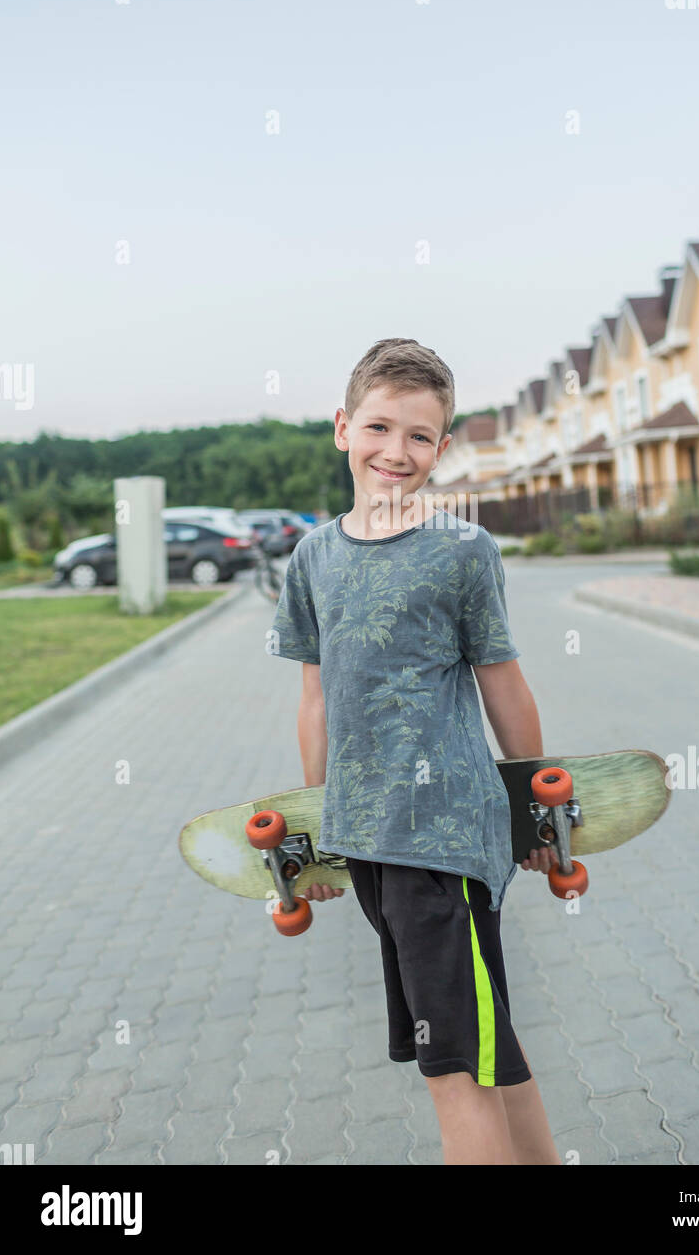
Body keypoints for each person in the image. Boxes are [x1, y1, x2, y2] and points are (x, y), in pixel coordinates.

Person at [270, 337, 561, 1165]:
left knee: (452, 1073)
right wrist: (318, 825)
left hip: (442, 840)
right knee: (487, 1048)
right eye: (379, 427)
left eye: (421, 436)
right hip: (369, 839)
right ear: (342, 429)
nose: (397, 452)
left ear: (443, 445)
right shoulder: (312, 557)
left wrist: (535, 808)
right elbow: (316, 697)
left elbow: (504, 684)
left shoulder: (464, 553)